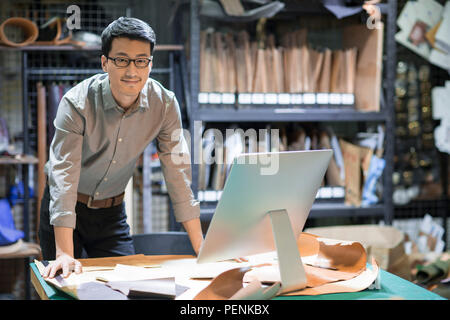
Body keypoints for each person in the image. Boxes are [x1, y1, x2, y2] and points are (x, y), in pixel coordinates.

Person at [39, 17, 203, 279]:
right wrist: (64, 254)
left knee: (127, 287)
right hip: (63, 208)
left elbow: (178, 175)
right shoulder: (76, 103)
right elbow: (63, 177)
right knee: (63, 284)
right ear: (105, 62)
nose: (131, 71)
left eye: (141, 61)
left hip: (111, 214)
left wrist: (201, 248)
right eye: (122, 60)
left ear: (150, 63)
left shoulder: (164, 104)